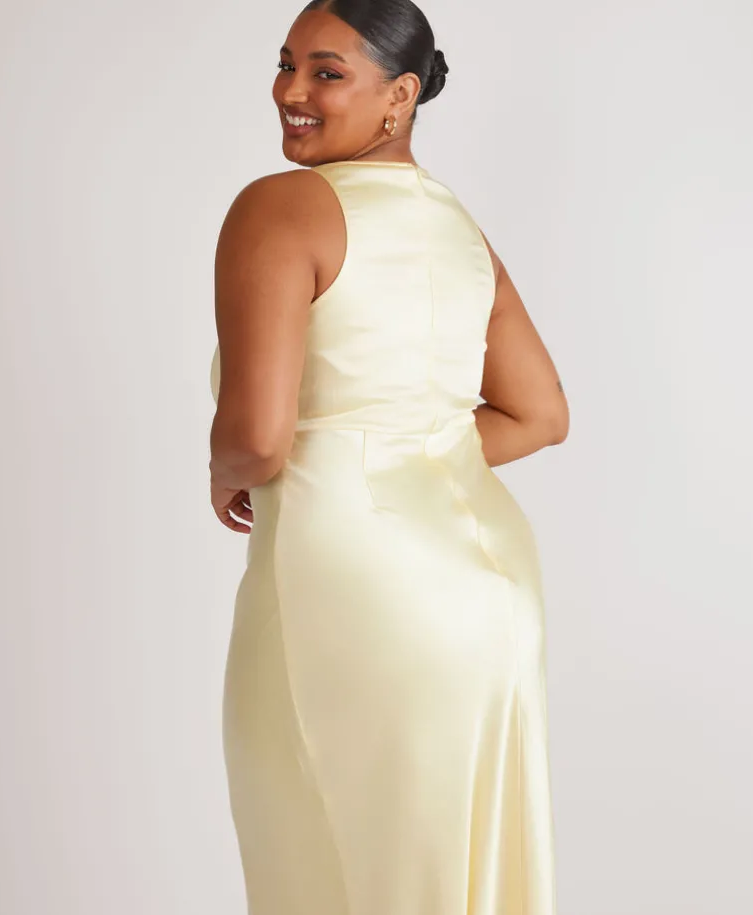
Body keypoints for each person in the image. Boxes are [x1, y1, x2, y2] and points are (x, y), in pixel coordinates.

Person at [208, 1, 569, 912]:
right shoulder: (459, 230)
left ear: (401, 95)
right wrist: (410, 451)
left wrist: (228, 468)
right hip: (491, 593)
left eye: (327, 73)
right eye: (286, 63)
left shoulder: (280, 207)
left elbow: (256, 437)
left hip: (353, 587)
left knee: (319, 864)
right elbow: (540, 414)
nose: (291, 91)